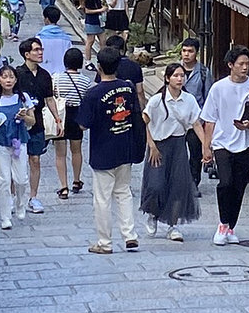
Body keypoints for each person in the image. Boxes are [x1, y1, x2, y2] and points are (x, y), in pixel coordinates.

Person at [198, 45, 249, 246]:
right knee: (225, 183)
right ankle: (223, 223)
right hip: (222, 142)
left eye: (247, 64)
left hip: (246, 143)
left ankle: (231, 226)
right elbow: (209, 119)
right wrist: (207, 147)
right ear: (231, 65)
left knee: (239, 186)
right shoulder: (219, 88)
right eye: (241, 64)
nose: (245, 67)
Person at [77, 44, 143, 254]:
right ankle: (130, 235)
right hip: (125, 147)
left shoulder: (93, 93)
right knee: (124, 192)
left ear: (99, 67)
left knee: (102, 198)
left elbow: (83, 124)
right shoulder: (128, 87)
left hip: (103, 149)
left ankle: (104, 242)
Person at [141, 64, 202, 241]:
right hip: (159, 145)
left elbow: (196, 123)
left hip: (178, 144)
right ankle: (152, 214)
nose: (179, 79)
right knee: (156, 184)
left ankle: (172, 225)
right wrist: (151, 145)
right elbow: (144, 121)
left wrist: (206, 145)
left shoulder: (189, 100)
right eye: (175, 75)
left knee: (178, 186)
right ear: (167, 78)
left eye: (182, 76)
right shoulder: (156, 100)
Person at [15, 37, 61, 214]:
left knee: (35, 159)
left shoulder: (45, 75)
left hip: (38, 122)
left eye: (41, 49)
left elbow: (50, 98)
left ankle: (33, 196)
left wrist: (57, 118)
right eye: (36, 50)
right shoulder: (18, 74)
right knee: (16, 159)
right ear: (27, 54)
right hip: (20, 122)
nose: (40, 52)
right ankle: (14, 196)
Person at [0, 63, 32, 229]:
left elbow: (32, 121)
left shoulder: (23, 99)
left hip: (19, 142)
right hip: (0, 144)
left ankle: (21, 203)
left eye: (11, 77)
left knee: (21, 179)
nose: (8, 80)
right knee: (4, 180)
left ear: (16, 80)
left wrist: (24, 117)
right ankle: (5, 217)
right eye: (4, 77)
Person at [55, 46, 93, 198]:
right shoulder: (85, 81)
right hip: (77, 115)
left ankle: (63, 187)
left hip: (61, 115)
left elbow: (52, 96)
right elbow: (88, 99)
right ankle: (76, 180)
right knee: (76, 150)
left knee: (60, 154)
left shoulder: (56, 78)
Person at [178, 37, 212, 190]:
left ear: (196, 53)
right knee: (177, 153)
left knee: (195, 153)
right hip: (176, 120)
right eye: (184, 51)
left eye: (190, 51)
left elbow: (208, 98)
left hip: (196, 121)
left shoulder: (204, 72)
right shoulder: (175, 70)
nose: (186, 54)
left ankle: (193, 183)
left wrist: (205, 120)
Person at [38, 4, 74, 79]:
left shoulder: (38, 38)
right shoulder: (66, 39)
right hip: (62, 76)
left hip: (43, 75)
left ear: (46, 19)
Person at [81, 0, 103, 65]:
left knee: (103, 40)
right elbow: (87, 11)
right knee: (90, 41)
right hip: (91, 20)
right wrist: (100, 10)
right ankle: (88, 61)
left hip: (98, 19)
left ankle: (102, 59)